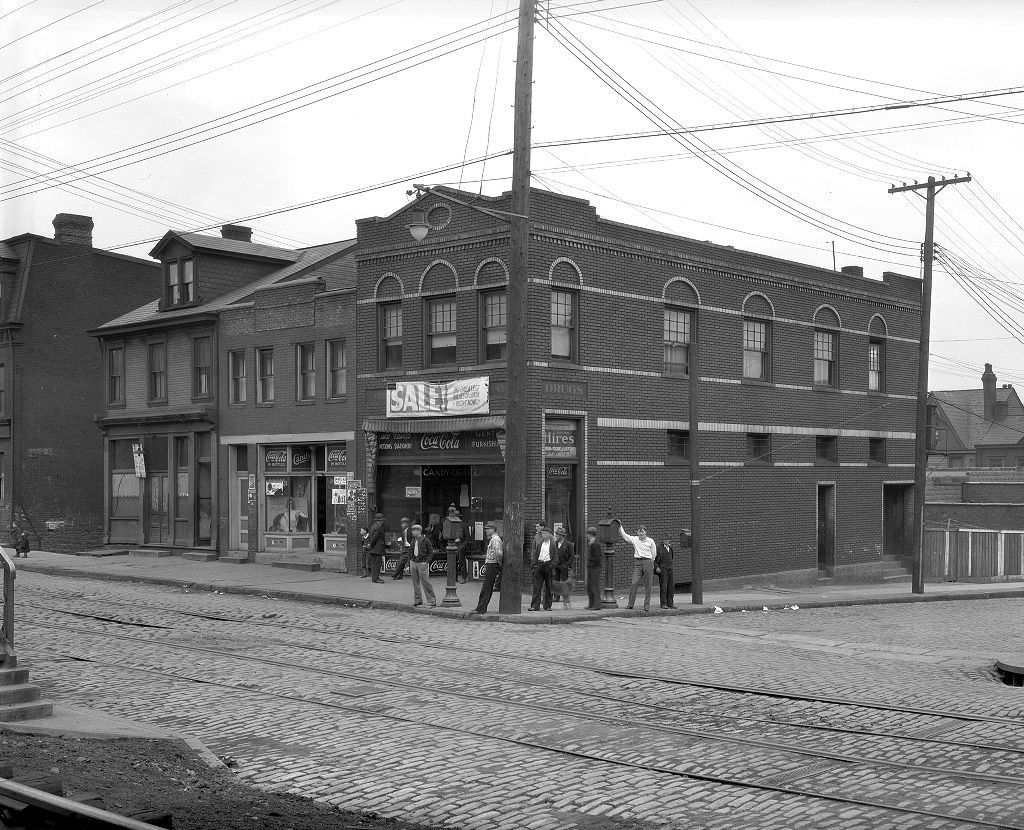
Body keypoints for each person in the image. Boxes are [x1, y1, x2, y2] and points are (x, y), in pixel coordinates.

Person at [618, 519, 657, 611]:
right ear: (637, 532)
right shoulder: (635, 539)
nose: (641, 534)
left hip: (648, 562)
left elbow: (654, 553)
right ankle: (630, 604)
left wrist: (652, 562)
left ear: (645, 532)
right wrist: (620, 526)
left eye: (643, 532)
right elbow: (625, 536)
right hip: (638, 563)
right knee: (634, 583)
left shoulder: (650, 541)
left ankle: (646, 605)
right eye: (639, 532)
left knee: (648, 585)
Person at [472, 522, 503, 614]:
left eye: (488, 529)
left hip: (492, 564)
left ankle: (481, 608)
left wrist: (499, 564)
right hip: (491, 564)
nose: (486, 531)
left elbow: (499, 553)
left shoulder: (496, 540)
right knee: (486, 587)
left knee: (486, 588)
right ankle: (480, 607)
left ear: (493, 529)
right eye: (486, 529)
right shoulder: (493, 539)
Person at [408, 523, 437, 607]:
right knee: (415, 582)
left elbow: (430, 552)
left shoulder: (425, 540)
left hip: (422, 563)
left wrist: (426, 561)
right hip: (413, 562)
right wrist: (409, 562)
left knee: (426, 582)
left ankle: (432, 600)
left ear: (419, 531)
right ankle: (418, 600)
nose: (414, 532)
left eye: (416, 530)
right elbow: (410, 552)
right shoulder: (413, 541)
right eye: (413, 530)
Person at [529, 525, 555, 611]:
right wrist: (534, 565)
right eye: (542, 534)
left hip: (548, 565)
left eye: (545, 534)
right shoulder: (540, 544)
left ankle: (547, 606)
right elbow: (536, 555)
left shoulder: (553, 545)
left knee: (548, 587)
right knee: (537, 587)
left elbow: (555, 557)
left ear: (549, 535)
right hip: (540, 565)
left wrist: (551, 565)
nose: (543, 535)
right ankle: (535, 605)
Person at [552, 527, 574, 601]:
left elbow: (571, 556)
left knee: (565, 583)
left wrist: (566, 565)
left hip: (564, 566)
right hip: (556, 566)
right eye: (556, 535)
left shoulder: (569, 544)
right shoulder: (555, 544)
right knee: (556, 582)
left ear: (562, 535)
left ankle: (566, 598)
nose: (556, 536)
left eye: (557, 535)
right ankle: (556, 597)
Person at [655, 538, 675, 609]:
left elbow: (672, 558)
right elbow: (655, 559)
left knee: (671, 586)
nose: (666, 541)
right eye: (665, 539)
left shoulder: (671, 548)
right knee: (664, 587)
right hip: (663, 569)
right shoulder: (659, 548)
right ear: (663, 540)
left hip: (670, 569)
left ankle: (670, 603)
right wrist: (657, 567)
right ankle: (663, 603)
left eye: (668, 539)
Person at [585, 526, 602, 610]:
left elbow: (598, 558)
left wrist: (591, 561)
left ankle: (597, 604)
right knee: (589, 586)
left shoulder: (596, 544)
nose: (586, 536)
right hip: (591, 567)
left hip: (595, 567)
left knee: (594, 586)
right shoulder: (592, 543)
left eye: (588, 534)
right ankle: (591, 603)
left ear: (591, 535)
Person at [366, 513, 386, 583]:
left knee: (374, 564)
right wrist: (371, 545)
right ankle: (376, 578)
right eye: (382, 520)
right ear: (379, 521)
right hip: (377, 549)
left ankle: (374, 578)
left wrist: (371, 546)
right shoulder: (378, 527)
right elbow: (374, 538)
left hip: (374, 549)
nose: (383, 521)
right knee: (377, 564)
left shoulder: (374, 526)